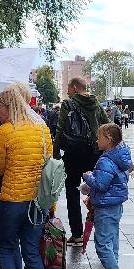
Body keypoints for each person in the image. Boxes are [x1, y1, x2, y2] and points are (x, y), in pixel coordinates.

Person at [0, 82, 54, 269]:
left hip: (14, 199)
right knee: (32, 250)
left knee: (5, 246)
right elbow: (49, 163)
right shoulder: (42, 129)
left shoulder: (4, 131)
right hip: (38, 200)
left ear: (8, 107)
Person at [54, 77, 108, 246]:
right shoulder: (96, 104)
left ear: (75, 88)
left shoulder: (68, 104)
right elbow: (108, 125)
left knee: (72, 190)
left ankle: (77, 234)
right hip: (94, 153)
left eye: (69, 88)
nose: (68, 92)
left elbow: (60, 128)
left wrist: (55, 154)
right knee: (97, 191)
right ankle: (102, 232)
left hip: (73, 153)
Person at [84, 123, 133, 269]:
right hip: (115, 205)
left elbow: (101, 184)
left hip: (105, 207)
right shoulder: (120, 157)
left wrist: (88, 177)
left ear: (108, 139)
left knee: (103, 244)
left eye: (99, 137)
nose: (97, 140)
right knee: (112, 243)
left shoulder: (105, 160)